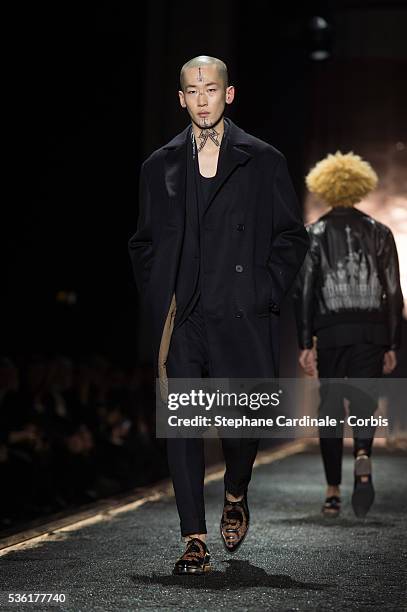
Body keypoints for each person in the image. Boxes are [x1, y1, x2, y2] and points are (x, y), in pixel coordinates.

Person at [128, 55, 309, 574]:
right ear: (180, 98)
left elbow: (290, 236)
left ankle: (235, 489)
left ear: (228, 95)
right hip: (183, 318)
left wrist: (263, 290)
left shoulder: (263, 160)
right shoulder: (158, 166)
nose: (202, 98)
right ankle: (193, 538)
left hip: (241, 312)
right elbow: (143, 242)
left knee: (239, 424)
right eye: (192, 90)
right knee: (183, 425)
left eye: (211, 89)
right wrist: (159, 295)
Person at [294, 151, 403, 518]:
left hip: (332, 330)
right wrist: (392, 343)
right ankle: (362, 455)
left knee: (329, 409)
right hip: (371, 331)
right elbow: (393, 292)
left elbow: (305, 291)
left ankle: (332, 492)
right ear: (360, 187)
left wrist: (305, 342)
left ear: (324, 188)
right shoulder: (381, 232)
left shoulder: (313, 234)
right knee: (363, 403)